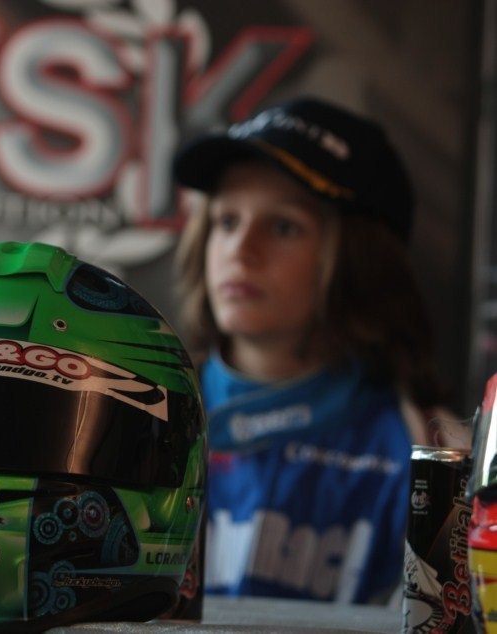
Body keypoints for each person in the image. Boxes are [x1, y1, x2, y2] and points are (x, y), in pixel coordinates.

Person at [171, 96, 464, 604]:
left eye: (283, 226)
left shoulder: (431, 452)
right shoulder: (149, 415)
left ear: (359, 259)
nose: (241, 250)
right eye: (227, 221)